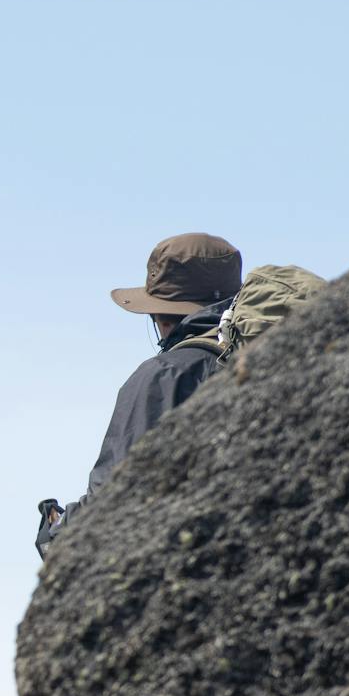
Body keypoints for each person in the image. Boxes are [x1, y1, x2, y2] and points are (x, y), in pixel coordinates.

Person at [37, 233, 244, 553]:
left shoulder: (163, 376)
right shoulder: (261, 360)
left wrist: (59, 531)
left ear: (160, 316)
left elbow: (113, 498)